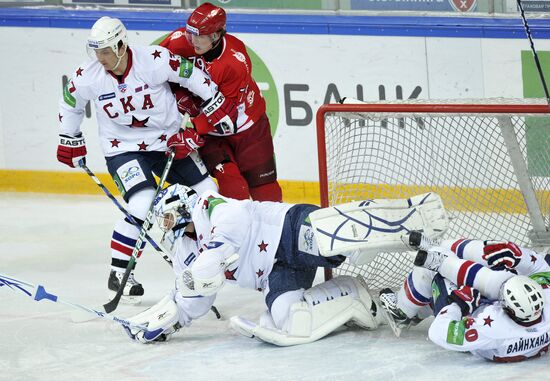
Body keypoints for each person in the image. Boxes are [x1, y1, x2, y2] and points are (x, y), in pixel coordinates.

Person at [57, 16, 239, 303]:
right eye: (97, 51)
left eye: (106, 50)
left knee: (208, 193)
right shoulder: (88, 75)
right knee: (143, 203)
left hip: (169, 143)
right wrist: (70, 137)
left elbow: (189, 73)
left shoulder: (152, 60)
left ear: (120, 45)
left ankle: (216, 258)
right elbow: (70, 100)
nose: (101, 58)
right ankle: (120, 273)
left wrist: (213, 101)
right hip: (123, 150)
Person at [123, 184, 384, 345]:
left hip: (287, 230)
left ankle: (378, 224)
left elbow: (235, 219)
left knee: (337, 244)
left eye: (167, 218)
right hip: (275, 273)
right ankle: (351, 292)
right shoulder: (185, 250)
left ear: (181, 208)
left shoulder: (207, 205)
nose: (165, 226)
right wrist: (169, 321)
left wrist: (211, 257)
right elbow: (195, 297)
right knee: (288, 318)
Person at [158, 2, 283, 202]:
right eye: (190, 34)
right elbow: (149, 65)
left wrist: (194, 132)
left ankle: (275, 232)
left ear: (216, 36)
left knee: (265, 190)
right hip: (214, 137)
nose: (192, 40)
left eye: (199, 36)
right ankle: (233, 232)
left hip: (248, 127)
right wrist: (178, 93)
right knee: (233, 186)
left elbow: (227, 114)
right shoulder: (179, 42)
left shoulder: (234, 61)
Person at [380, 232, 550, 362]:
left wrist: (458, 305)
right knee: (498, 260)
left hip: (469, 312)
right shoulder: (543, 306)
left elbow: (438, 332)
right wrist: (520, 256)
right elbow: (543, 270)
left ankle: (401, 311)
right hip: (493, 309)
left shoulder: (491, 330)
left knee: (431, 271)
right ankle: (440, 248)